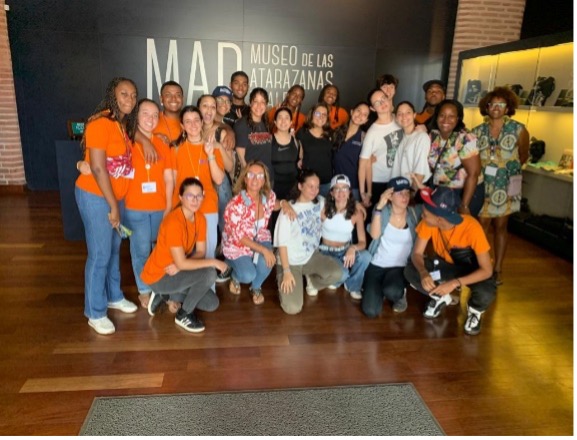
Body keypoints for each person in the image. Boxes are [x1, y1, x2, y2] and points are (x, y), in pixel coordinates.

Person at [74, 77, 139, 335]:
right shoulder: (100, 123)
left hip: (114, 197)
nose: (129, 99)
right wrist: (113, 205)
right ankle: (95, 312)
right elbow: (98, 167)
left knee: (113, 250)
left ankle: (114, 295)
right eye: (124, 94)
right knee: (100, 254)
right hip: (96, 196)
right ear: (112, 94)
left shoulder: (121, 125)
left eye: (133, 95)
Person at [404, 186, 496, 336]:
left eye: (425, 214)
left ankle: (475, 311)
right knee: (410, 270)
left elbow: (487, 270)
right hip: (445, 268)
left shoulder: (472, 227)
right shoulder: (428, 223)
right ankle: (440, 296)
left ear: (439, 219)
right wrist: (423, 272)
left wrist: (454, 283)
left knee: (486, 291)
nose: (422, 216)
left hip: (472, 270)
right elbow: (417, 253)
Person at [142, 178, 228, 333]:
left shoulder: (200, 218)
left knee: (211, 303)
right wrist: (214, 262)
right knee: (209, 273)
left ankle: (167, 296)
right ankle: (184, 314)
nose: (195, 200)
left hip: (177, 271)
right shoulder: (173, 222)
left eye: (198, 196)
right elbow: (183, 263)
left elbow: (200, 252)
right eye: (190, 196)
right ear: (181, 197)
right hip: (160, 276)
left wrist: (180, 265)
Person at [472, 87, 530, 285]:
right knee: (481, 226)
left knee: (501, 226)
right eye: (492, 104)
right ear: (486, 107)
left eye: (501, 104)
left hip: (506, 185)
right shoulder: (477, 131)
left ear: (507, 108)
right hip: (483, 185)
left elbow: (523, 155)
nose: (496, 108)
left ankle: (497, 269)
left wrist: (505, 169)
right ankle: (481, 266)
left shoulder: (519, 129)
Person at [124, 99, 174, 309]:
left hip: (159, 207)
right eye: (145, 114)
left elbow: (169, 179)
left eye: (155, 115)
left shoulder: (163, 143)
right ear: (136, 116)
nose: (150, 119)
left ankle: (160, 287)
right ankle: (144, 290)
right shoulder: (127, 141)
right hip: (135, 207)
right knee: (141, 250)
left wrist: (169, 207)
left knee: (159, 250)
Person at [274, 169, 343, 315]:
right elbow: (281, 244)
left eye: (317, 187)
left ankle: (311, 280)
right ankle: (285, 278)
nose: (315, 190)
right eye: (310, 186)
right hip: (289, 261)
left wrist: (357, 206)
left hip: (310, 256)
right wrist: (286, 272)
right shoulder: (289, 209)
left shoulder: (320, 202)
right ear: (300, 186)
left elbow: (340, 206)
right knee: (292, 308)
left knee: (337, 273)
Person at [171, 105, 225, 261]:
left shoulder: (213, 148)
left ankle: (209, 278)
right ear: (182, 126)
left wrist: (210, 155)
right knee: (183, 253)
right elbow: (173, 182)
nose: (193, 124)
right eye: (188, 121)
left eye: (196, 120)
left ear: (202, 122)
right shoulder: (176, 149)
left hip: (207, 205)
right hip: (182, 207)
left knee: (207, 253)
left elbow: (219, 179)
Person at [222, 161, 281, 305]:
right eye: (251, 175)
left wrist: (284, 203)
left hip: (260, 237)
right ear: (245, 178)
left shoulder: (268, 196)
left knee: (267, 261)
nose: (255, 179)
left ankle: (256, 287)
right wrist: (264, 250)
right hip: (238, 244)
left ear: (264, 180)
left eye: (260, 175)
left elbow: (275, 205)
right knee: (248, 275)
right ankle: (234, 274)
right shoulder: (235, 205)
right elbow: (240, 238)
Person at [361, 177, 421, 317]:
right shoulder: (382, 211)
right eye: (400, 193)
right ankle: (379, 289)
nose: (405, 197)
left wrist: (422, 187)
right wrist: (379, 207)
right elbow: (375, 235)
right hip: (377, 265)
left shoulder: (415, 212)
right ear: (390, 196)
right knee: (370, 311)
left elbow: (435, 205)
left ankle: (398, 293)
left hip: (400, 267)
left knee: (392, 291)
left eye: (407, 193)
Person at [427, 99, 484, 216]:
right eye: (442, 115)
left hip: (464, 193)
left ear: (458, 119)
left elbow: (473, 174)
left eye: (451, 116)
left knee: (457, 226)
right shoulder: (433, 135)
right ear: (436, 117)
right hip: (441, 191)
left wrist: (464, 205)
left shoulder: (465, 138)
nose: (445, 120)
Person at [320, 174, 371, 300]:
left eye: (344, 188)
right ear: (331, 192)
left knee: (366, 256)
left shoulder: (356, 212)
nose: (341, 192)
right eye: (337, 189)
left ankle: (352, 285)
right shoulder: (323, 207)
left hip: (345, 250)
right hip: (326, 251)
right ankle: (339, 277)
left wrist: (353, 248)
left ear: (349, 192)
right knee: (342, 275)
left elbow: (363, 242)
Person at [358, 89, 403, 208]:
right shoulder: (373, 132)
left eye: (383, 98)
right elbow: (362, 164)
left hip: (400, 179)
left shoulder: (400, 121)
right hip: (379, 182)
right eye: (377, 103)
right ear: (373, 108)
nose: (382, 103)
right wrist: (364, 193)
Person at [332, 101, 370, 201]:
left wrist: (366, 192)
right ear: (352, 112)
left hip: (354, 187)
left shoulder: (364, 137)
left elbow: (367, 166)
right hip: (336, 185)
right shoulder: (336, 132)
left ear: (366, 120)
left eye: (364, 114)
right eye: (358, 111)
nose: (360, 115)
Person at [234, 87, 274, 179]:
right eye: (255, 101)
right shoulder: (242, 124)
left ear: (266, 105)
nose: (259, 105)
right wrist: (249, 176)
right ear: (250, 103)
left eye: (263, 102)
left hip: (268, 176)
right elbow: (241, 156)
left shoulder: (266, 123)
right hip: (252, 178)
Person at [390, 101, 432, 189]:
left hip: (415, 188)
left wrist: (413, 191)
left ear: (414, 115)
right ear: (396, 118)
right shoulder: (401, 138)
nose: (404, 116)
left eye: (408, 112)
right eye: (400, 114)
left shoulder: (421, 137)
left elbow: (420, 169)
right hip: (401, 187)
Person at [297, 103, 334, 197]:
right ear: (311, 115)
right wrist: (299, 160)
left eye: (324, 114)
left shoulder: (331, 134)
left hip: (326, 182)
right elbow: (299, 154)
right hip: (308, 183)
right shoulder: (302, 132)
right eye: (317, 113)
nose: (321, 117)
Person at [271, 107, 302, 200]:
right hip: (274, 188)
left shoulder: (296, 141)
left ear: (291, 122)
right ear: (275, 122)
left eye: (287, 118)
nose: (283, 121)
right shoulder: (269, 140)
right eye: (280, 117)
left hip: (293, 189)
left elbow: (300, 161)